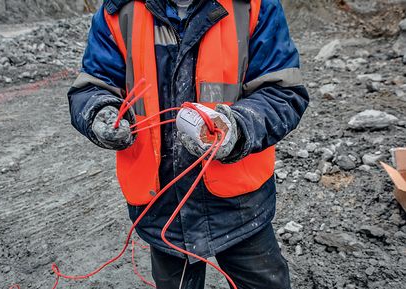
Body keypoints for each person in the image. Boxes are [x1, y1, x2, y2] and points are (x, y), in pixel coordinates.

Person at [68, 0, 309, 288]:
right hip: (161, 207)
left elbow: (283, 92)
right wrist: (98, 111)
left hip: (240, 206)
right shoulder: (119, 11)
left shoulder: (254, 6)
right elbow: (92, 86)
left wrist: (238, 128)